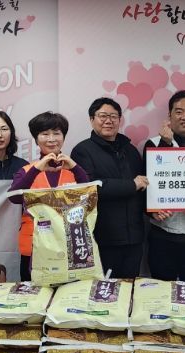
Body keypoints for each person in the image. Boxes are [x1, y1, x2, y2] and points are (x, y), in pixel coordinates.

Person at [71, 97, 148, 278]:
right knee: (104, 289)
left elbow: (144, 185)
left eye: (114, 116)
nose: (108, 121)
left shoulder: (130, 150)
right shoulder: (82, 151)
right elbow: (91, 188)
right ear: (92, 119)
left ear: (120, 120)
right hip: (103, 238)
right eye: (103, 116)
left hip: (134, 238)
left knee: (130, 286)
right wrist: (132, 185)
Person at [8, 112, 88, 281]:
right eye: (45, 134)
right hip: (34, 249)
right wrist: (37, 169)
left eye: (56, 133)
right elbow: (14, 197)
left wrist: (75, 167)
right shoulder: (27, 170)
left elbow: (89, 195)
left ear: (63, 137)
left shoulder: (74, 169)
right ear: (36, 139)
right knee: (35, 294)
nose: (51, 139)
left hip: (69, 246)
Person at [143, 90, 185, 282]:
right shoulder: (154, 144)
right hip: (162, 234)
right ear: (170, 115)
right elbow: (147, 185)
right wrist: (152, 212)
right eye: (179, 111)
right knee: (161, 290)